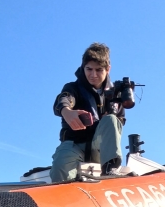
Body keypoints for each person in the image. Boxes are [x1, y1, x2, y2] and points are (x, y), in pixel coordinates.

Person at [49, 43, 126, 182]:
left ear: (108, 69)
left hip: (100, 148)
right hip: (74, 144)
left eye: (99, 70)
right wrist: (66, 111)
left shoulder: (116, 94)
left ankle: (111, 170)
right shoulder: (73, 88)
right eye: (89, 69)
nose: (93, 74)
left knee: (112, 120)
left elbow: (120, 122)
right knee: (59, 166)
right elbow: (63, 100)